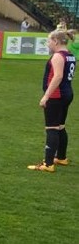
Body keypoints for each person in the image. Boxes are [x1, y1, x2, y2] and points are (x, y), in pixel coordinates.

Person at [27, 29, 75, 172]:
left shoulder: (58, 56)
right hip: (67, 94)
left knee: (52, 128)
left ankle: (48, 164)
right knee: (60, 126)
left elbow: (58, 76)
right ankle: (61, 157)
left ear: (55, 41)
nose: (47, 44)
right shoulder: (70, 55)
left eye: (49, 41)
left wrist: (46, 95)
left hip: (56, 95)